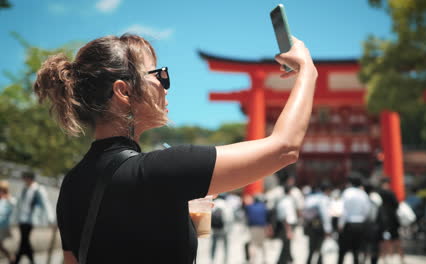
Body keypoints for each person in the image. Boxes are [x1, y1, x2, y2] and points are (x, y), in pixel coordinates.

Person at [33, 33, 318, 264]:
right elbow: (284, 148)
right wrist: (307, 70)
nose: (165, 86)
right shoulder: (159, 170)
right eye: (159, 75)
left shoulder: (72, 184)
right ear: (123, 91)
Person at [14, 171, 54, 264]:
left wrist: (50, 219)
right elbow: (20, 204)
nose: (24, 180)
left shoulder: (38, 189)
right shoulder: (25, 189)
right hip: (22, 219)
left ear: (29, 178)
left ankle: (17, 260)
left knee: (24, 240)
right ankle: (30, 260)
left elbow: (46, 204)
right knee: (24, 241)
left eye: (25, 178)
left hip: (30, 220)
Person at [337, 174, 370, 264]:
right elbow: (366, 211)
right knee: (356, 250)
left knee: (342, 250)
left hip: (348, 223)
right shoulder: (363, 194)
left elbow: (343, 210)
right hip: (360, 224)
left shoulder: (347, 192)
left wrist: (340, 224)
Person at [303, 183, 332, 264]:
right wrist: (328, 229)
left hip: (311, 225)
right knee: (320, 248)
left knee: (311, 248)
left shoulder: (312, 197)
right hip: (319, 227)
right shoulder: (323, 199)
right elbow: (325, 215)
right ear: (327, 190)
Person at [378, 178, 404, 263]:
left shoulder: (378, 193)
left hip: (381, 219)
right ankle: (401, 258)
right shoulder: (391, 193)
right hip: (392, 219)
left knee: (382, 240)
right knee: (396, 239)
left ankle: (384, 258)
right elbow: (396, 205)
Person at [243, 194, 268, 264]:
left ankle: (252, 260)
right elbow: (267, 217)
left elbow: (245, 211)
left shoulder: (249, 207)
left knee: (253, 244)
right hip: (262, 227)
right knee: (262, 244)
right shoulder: (263, 207)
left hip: (252, 227)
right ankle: (264, 259)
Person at [210, 195, 231, 264]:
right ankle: (225, 259)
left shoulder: (214, 203)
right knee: (225, 245)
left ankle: (212, 259)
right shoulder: (226, 204)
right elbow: (229, 217)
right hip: (224, 229)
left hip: (215, 229)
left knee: (214, 245)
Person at [0, 180, 15, 263]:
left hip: (3, 226)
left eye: (2, 189)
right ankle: (11, 257)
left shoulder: (9, 199)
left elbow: (14, 206)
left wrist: (7, 197)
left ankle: (11, 257)